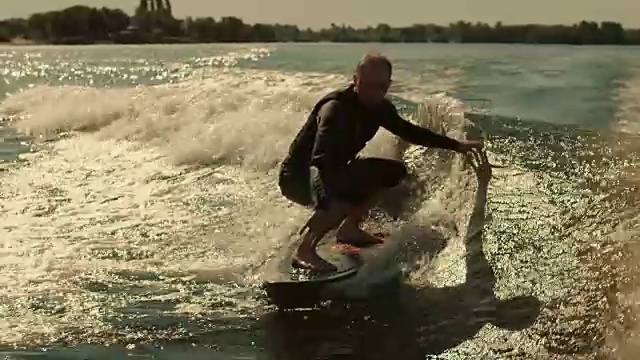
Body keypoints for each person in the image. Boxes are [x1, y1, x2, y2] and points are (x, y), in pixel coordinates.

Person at [278, 53, 483, 273]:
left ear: (388, 85)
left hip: (333, 170)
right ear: (355, 80)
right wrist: (324, 201)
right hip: (300, 176)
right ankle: (305, 249)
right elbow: (319, 160)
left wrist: (456, 145)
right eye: (367, 85)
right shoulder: (334, 109)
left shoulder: (380, 108)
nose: (373, 92)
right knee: (340, 196)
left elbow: (410, 132)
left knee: (392, 172)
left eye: (380, 86)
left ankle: (349, 228)